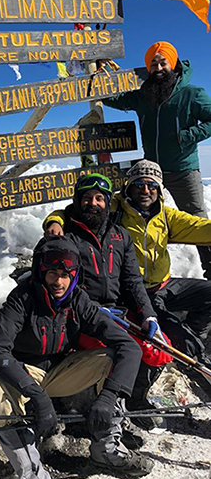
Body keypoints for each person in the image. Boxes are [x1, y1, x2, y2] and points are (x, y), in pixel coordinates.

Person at [0, 235, 153, 479]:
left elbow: (128, 346)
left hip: (63, 369)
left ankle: (106, 449)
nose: (59, 282)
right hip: (28, 372)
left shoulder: (78, 300)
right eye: (52, 273)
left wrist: (109, 396)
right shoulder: (22, 298)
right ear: (40, 271)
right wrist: (37, 396)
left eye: (66, 274)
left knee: (109, 358)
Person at [43, 173, 168, 428]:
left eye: (100, 198)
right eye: (87, 198)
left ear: (108, 201)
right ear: (78, 200)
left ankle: (133, 398)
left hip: (116, 312)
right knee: (117, 353)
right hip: (80, 315)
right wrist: (91, 307)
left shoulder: (120, 236)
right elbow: (56, 284)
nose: (93, 203)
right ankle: (106, 418)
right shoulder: (66, 236)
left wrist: (148, 315)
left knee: (158, 348)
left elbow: (132, 281)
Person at [103, 41, 211, 279]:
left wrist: (189, 136)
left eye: (163, 62)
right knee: (135, 216)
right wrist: (97, 79)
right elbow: (115, 99)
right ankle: (137, 273)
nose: (159, 67)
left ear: (172, 64)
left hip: (184, 170)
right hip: (150, 173)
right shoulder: (145, 95)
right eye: (153, 63)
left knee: (198, 222)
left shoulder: (192, 94)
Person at [112, 159, 211, 379]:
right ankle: (189, 349)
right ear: (129, 186)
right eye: (139, 184)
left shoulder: (165, 216)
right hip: (133, 292)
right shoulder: (114, 212)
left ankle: (191, 334)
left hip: (163, 285)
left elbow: (201, 228)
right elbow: (75, 213)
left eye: (152, 185)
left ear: (159, 188)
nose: (145, 190)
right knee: (184, 343)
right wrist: (55, 222)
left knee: (208, 294)